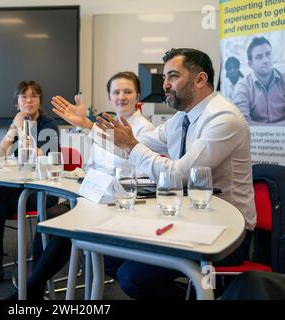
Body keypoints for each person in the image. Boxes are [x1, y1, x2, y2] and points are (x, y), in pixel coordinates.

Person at [59, 48, 256, 299]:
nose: (165, 84)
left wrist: (131, 145)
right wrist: (88, 126)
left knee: (133, 277)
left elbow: (179, 175)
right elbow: (131, 146)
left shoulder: (223, 118)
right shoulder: (182, 118)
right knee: (107, 257)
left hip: (227, 233)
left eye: (173, 76)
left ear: (200, 79)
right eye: (164, 77)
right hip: (189, 219)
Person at [6, 71, 154, 299]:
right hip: (94, 196)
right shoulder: (106, 123)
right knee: (49, 215)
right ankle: (36, 284)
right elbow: (94, 165)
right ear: (109, 96)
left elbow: (142, 173)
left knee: (67, 225)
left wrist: (86, 127)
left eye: (127, 91)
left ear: (138, 96)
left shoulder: (145, 129)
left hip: (121, 202)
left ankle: (30, 290)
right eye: (116, 92)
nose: (121, 97)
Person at [0, 80, 60, 286]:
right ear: (17, 102)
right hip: (20, 188)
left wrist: (20, 128)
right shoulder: (17, 123)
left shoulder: (48, 124)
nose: (29, 100)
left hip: (43, 190)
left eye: (34, 95)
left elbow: (36, 156)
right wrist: (12, 129)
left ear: (39, 100)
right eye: (24, 96)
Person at [233, 36, 285, 125]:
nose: (266, 60)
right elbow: (242, 123)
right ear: (250, 64)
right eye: (259, 57)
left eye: (268, 54)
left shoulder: (283, 80)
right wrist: (276, 129)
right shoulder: (242, 86)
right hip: (256, 138)